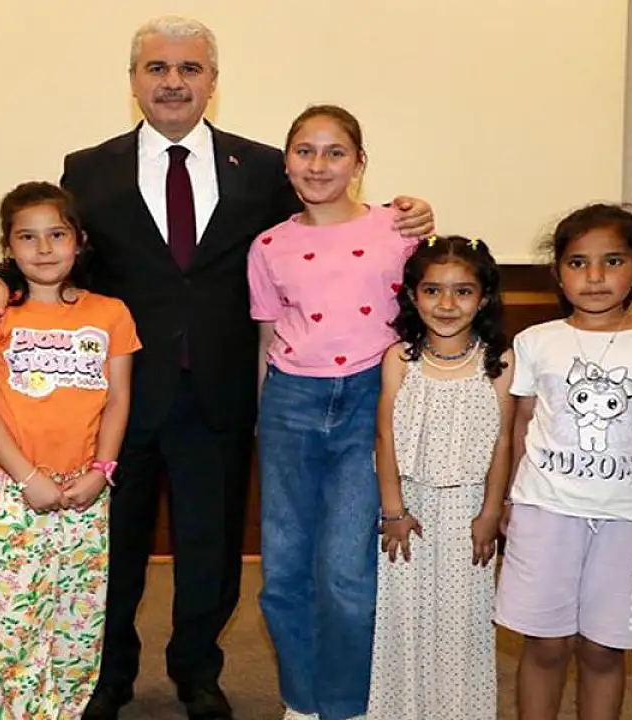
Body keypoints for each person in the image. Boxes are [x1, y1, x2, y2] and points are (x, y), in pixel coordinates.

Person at [0, 17, 435, 719]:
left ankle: (198, 672)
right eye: (157, 68)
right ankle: (108, 676)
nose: (173, 82)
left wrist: (408, 213)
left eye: (189, 69)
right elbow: (59, 248)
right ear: (134, 81)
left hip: (221, 387)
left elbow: (326, 228)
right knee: (113, 546)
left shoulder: (264, 167)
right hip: (115, 396)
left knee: (211, 548)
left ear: (213, 81)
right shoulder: (88, 168)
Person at [493, 203, 632, 720]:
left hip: (627, 520)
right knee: (545, 645)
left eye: (612, 261)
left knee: (602, 649)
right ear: (559, 273)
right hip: (544, 513)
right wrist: (507, 497)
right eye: (578, 263)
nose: (594, 277)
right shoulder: (535, 342)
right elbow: (521, 424)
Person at [246, 104, 417, 720]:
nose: (318, 165)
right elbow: (267, 340)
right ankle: (301, 700)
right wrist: (263, 421)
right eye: (305, 151)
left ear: (359, 163)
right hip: (290, 403)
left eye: (335, 152)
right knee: (283, 572)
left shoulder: (399, 229)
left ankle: (346, 705)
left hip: (370, 401)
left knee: (347, 572)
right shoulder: (269, 246)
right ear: (286, 162)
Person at [0, 181, 141, 718]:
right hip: (11, 485)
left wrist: (102, 471)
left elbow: (118, 399)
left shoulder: (111, 313)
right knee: (18, 620)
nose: (43, 249)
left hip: (85, 484)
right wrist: (26, 477)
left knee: (77, 619)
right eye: (27, 237)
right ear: (8, 247)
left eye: (56, 235)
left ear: (78, 241)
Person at [367, 235, 514, 720]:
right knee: (404, 616)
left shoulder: (499, 362)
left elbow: (503, 442)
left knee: (462, 619)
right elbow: (385, 436)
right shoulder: (399, 358)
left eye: (463, 291)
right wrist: (393, 510)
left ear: (484, 298)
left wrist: (491, 512)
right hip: (409, 508)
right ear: (413, 296)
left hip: (468, 510)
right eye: (432, 291)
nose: (446, 305)